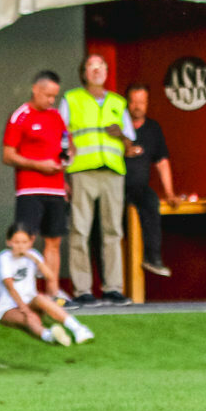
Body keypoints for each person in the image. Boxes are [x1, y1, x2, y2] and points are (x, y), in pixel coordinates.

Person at [58, 54, 138, 307]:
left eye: (101, 65)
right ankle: (83, 290)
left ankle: (113, 288)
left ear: (106, 71)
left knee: (113, 231)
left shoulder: (118, 102)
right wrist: (62, 176)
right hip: (82, 171)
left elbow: (130, 144)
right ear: (84, 72)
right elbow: (60, 137)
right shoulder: (71, 99)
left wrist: (121, 134)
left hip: (113, 172)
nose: (97, 69)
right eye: (92, 65)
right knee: (80, 230)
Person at [2, 70, 70, 304]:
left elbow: (65, 147)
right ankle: (24, 292)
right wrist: (38, 165)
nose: (51, 100)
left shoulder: (56, 116)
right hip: (30, 189)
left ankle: (53, 292)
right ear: (35, 89)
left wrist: (67, 159)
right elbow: (8, 155)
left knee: (54, 241)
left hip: (57, 189)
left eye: (54, 96)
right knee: (25, 241)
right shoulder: (20, 116)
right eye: (48, 95)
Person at [0, 223, 94, 345]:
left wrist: (34, 259)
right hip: (8, 308)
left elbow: (50, 276)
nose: (20, 246)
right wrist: (25, 310)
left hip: (30, 301)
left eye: (24, 242)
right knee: (30, 318)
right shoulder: (3, 257)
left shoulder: (33, 254)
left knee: (41, 298)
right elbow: (10, 287)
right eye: (16, 242)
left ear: (31, 241)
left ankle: (78, 329)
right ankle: (49, 336)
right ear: (8, 242)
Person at [125, 84, 177, 277]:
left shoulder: (153, 128)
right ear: (127, 103)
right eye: (133, 101)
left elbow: (162, 162)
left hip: (139, 188)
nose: (137, 106)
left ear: (147, 104)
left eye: (141, 102)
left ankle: (152, 258)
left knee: (151, 202)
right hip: (115, 187)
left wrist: (170, 193)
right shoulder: (116, 126)